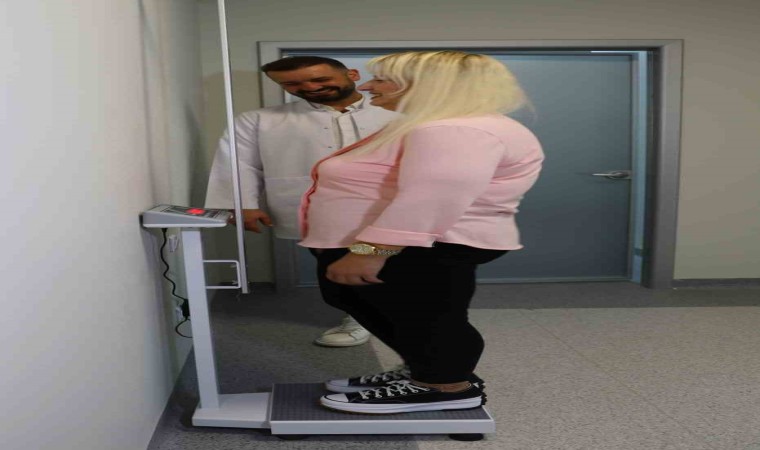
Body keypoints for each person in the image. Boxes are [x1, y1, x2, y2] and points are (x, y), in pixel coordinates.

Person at [298, 50, 544, 414]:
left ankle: (445, 385)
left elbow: (431, 198)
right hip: (416, 242)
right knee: (383, 305)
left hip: (429, 243)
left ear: (427, 84)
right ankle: (426, 369)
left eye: (381, 79)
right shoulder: (445, 125)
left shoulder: (457, 130)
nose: (367, 86)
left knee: (423, 315)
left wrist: (370, 252)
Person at [205, 56, 397, 347]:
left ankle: (399, 318)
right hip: (321, 212)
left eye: (321, 79)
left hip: (389, 207)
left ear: (353, 74)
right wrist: (243, 203)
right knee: (338, 266)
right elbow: (239, 163)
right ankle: (359, 317)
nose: (309, 87)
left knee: (399, 264)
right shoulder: (259, 120)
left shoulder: (397, 113)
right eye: (292, 84)